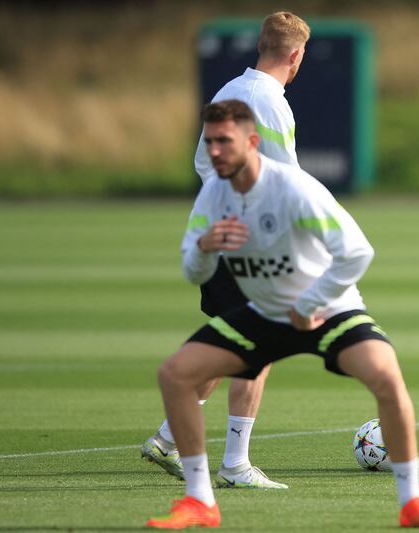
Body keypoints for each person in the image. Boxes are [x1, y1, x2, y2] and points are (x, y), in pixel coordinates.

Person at [145, 100, 419, 529]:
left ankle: (411, 502)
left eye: (224, 141)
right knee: (175, 374)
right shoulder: (214, 193)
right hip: (263, 314)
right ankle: (200, 500)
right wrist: (204, 248)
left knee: (386, 374)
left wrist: (308, 303)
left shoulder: (293, 188)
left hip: (326, 309)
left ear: (252, 142)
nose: (214, 151)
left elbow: (356, 253)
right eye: (209, 140)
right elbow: (190, 269)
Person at [141, 11, 309, 490]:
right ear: (296, 56)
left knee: (231, 341)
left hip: (220, 229)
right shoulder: (269, 103)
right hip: (248, 241)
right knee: (258, 343)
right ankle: (235, 463)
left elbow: (204, 163)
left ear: (261, 45)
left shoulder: (229, 90)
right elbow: (287, 182)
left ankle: (169, 437)